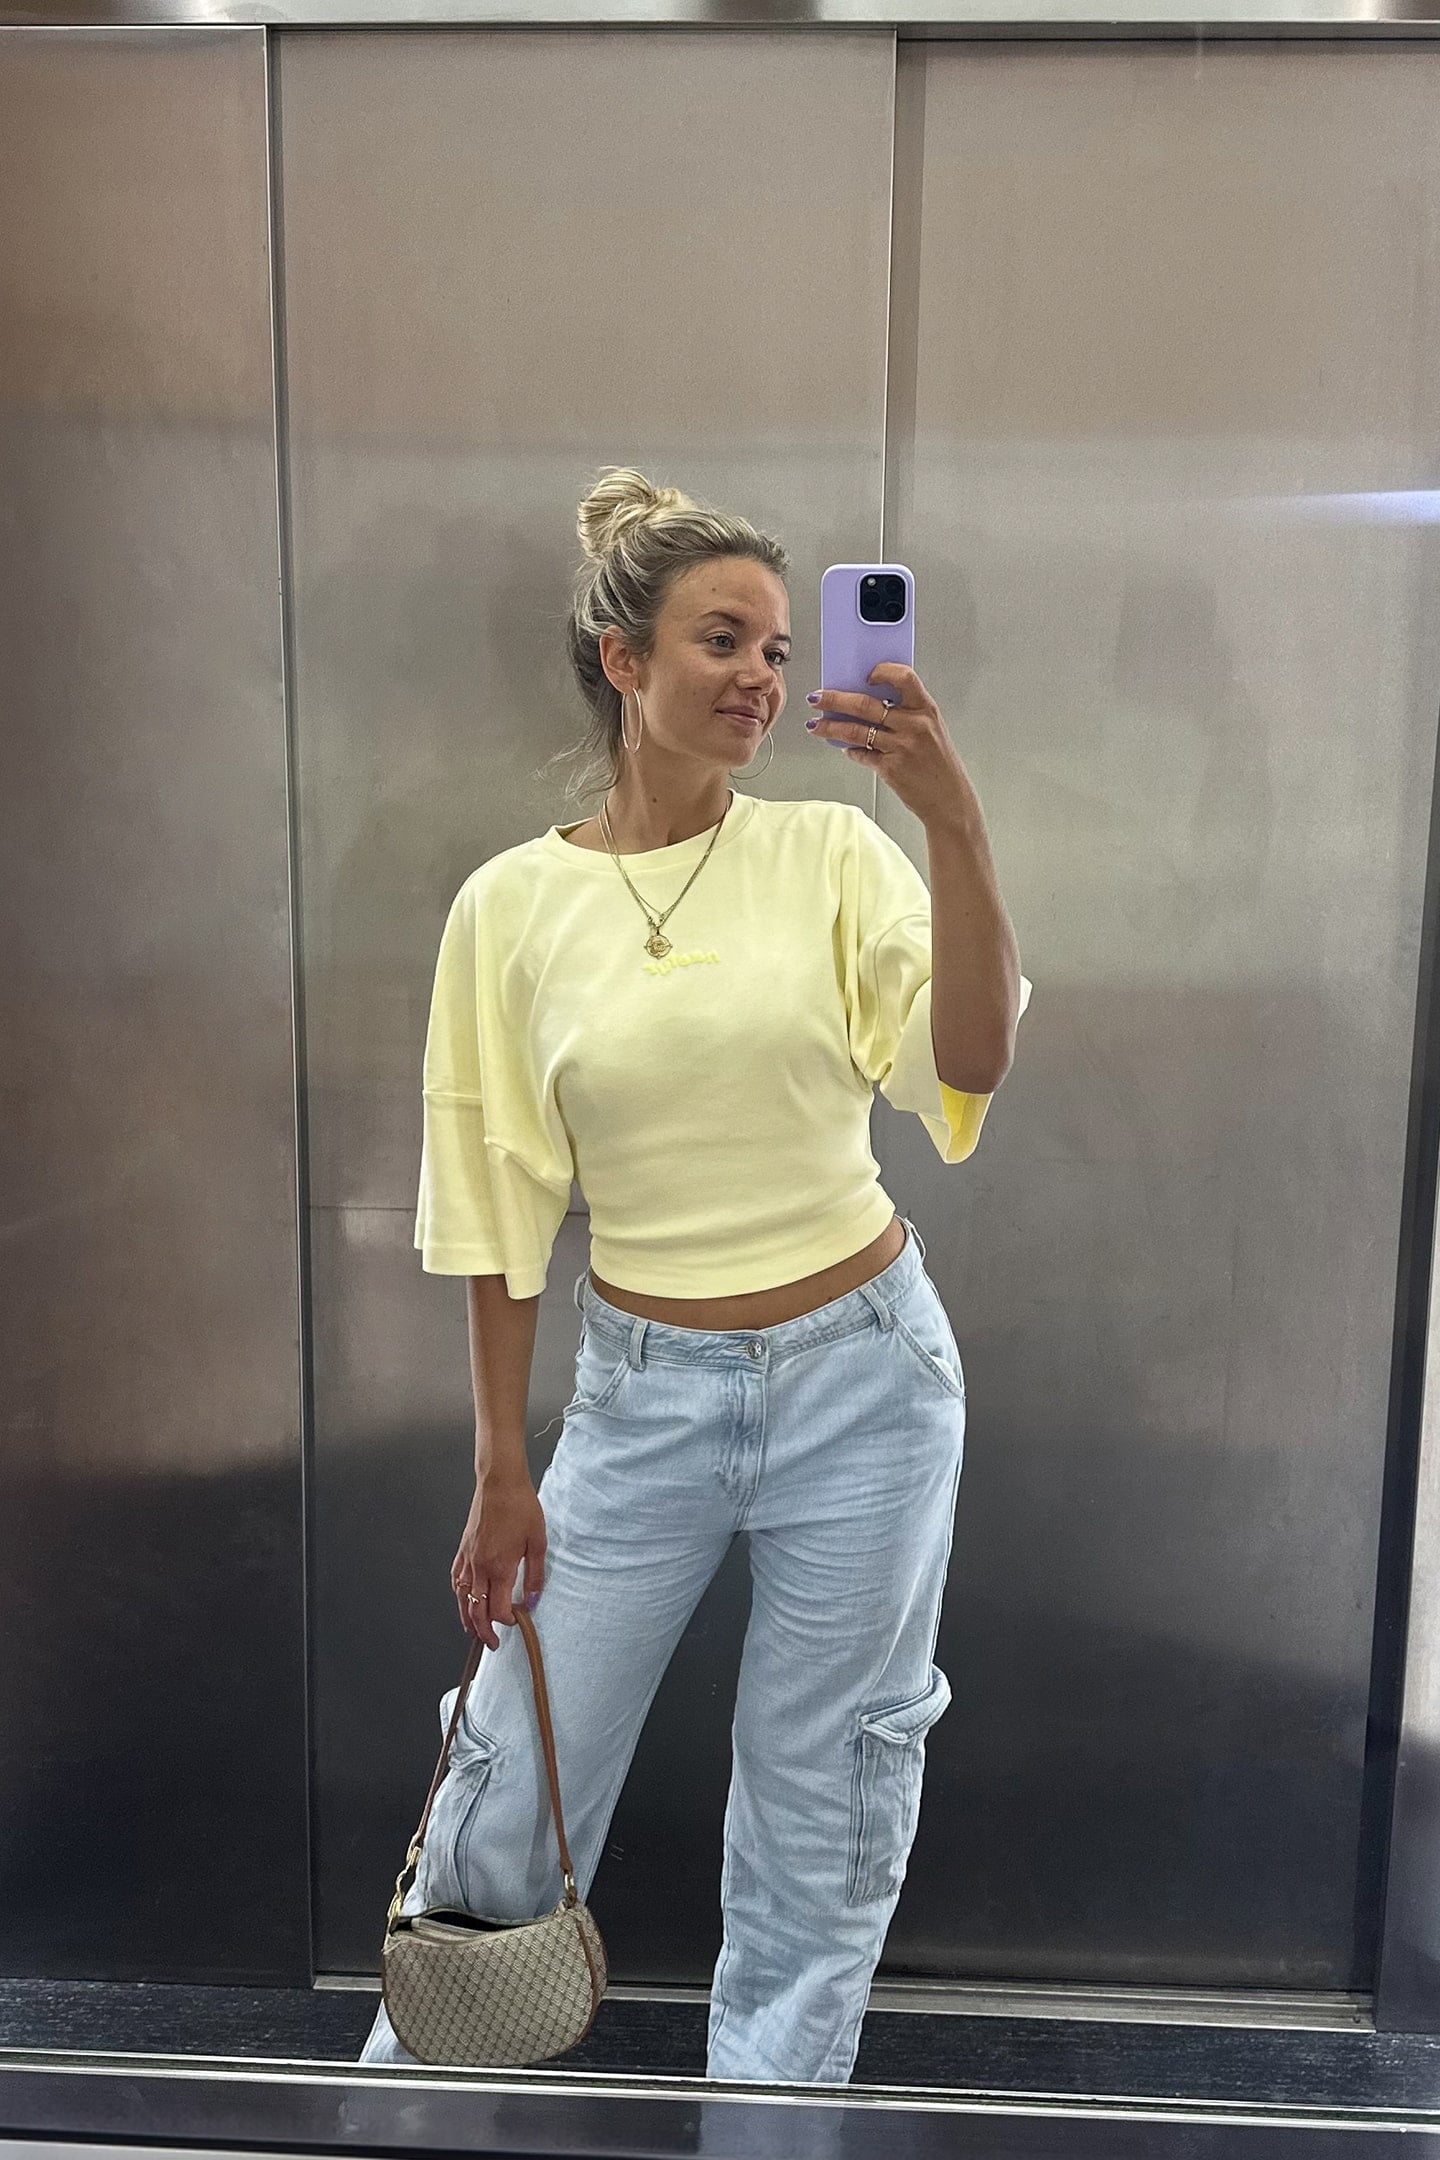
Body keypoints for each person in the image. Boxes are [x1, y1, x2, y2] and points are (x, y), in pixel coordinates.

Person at [359, 465, 1031, 2085]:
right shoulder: (511, 908)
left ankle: (769, 2125)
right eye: (722, 640)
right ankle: (417, 2103)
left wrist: (952, 821)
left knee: (825, 1805)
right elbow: (495, 1201)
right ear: (622, 659)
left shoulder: (835, 856)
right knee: (511, 1778)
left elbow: (969, 1059)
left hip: (865, 1379)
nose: (763, 679)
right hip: (643, 1395)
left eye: (780, 651)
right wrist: (502, 1465)